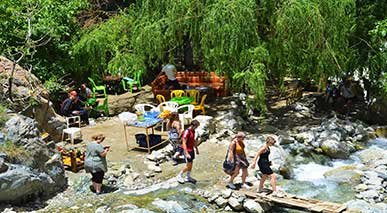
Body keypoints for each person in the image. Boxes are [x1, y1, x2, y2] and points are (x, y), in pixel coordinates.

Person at [176, 120, 200, 184]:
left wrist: (196, 148)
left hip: (191, 149)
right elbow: (184, 143)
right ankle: (179, 175)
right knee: (188, 165)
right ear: (193, 125)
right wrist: (186, 153)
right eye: (196, 126)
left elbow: (193, 140)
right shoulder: (187, 132)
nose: (197, 128)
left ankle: (188, 176)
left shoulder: (193, 131)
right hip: (187, 151)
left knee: (191, 164)